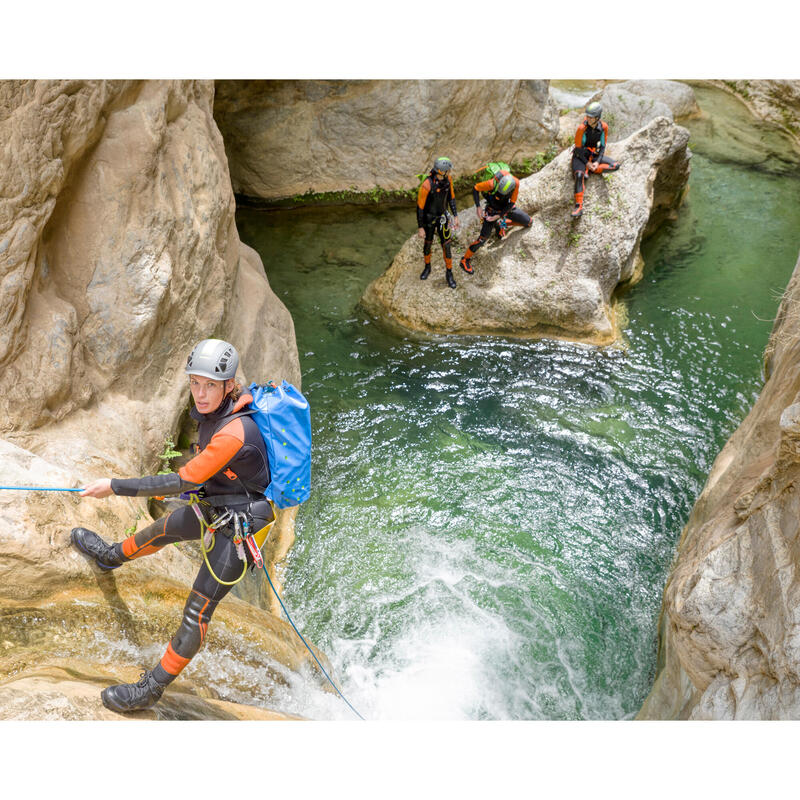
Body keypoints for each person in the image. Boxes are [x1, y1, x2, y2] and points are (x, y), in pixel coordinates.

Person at [72, 338, 275, 713]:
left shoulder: (234, 433)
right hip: (216, 505)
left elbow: (180, 481)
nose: (200, 393)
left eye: (210, 385)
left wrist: (113, 487)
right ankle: (109, 557)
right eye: (195, 383)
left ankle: (149, 691)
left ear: (229, 386)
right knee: (159, 531)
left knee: (196, 613)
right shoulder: (217, 412)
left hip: (240, 528)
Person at [459, 166, 532, 275]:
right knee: (482, 240)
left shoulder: (515, 182)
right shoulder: (491, 184)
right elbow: (475, 188)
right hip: (492, 209)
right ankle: (464, 260)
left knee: (528, 222)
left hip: (505, 207)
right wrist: (478, 207)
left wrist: (499, 216)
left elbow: (511, 203)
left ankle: (502, 224)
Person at [570, 101, 621, 219]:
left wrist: (597, 162)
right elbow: (577, 149)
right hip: (581, 155)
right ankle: (578, 206)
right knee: (579, 175)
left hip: (594, 155)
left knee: (616, 165)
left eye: (590, 117)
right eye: (587, 116)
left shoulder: (603, 127)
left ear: (597, 118)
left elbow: (603, 146)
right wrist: (587, 163)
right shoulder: (582, 128)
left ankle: (593, 170)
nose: (587, 118)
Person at [416, 156, 460, 289]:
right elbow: (420, 207)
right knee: (428, 244)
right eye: (448, 170)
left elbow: (451, 198)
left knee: (446, 246)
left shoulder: (448, 180)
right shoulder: (427, 184)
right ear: (441, 171)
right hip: (429, 219)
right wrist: (420, 227)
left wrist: (455, 215)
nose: (450, 172)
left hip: (442, 218)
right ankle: (427, 267)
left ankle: (449, 273)